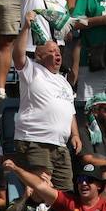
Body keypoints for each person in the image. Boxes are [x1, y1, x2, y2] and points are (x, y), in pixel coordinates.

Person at [11, 10, 78, 191]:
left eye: (58, 51)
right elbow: (17, 55)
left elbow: (70, 110)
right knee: (41, 193)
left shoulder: (64, 82)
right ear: (39, 55)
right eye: (51, 51)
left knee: (66, 196)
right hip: (36, 141)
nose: (57, 54)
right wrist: (25, 27)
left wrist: (76, 135)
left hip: (60, 146)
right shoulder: (31, 70)